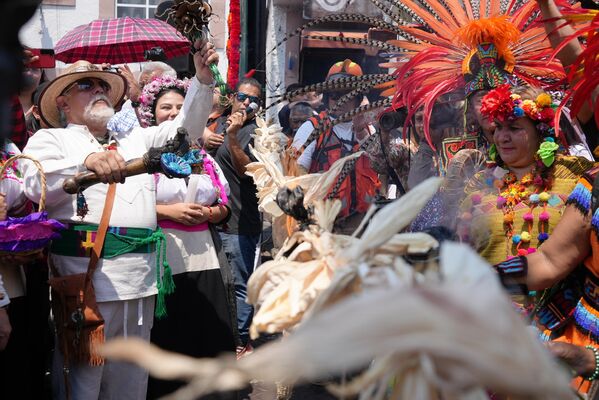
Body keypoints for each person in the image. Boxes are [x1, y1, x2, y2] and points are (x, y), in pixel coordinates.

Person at [21, 40, 217, 400]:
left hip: (141, 282)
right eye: (85, 85)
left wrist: (202, 82)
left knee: (130, 385)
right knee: (82, 384)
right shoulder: (50, 139)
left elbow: (183, 134)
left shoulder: (135, 139)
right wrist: (86, 163)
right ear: (62, 103)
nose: (97, 90)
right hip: (87, 283)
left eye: (102, 85)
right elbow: (35, 181)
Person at [137, 75, 237, 398]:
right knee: (171, 337)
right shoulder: (142, 161)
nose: (173, 112)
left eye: (180, 107)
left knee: (207, 331)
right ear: (152, 113)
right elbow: (136, 204)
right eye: (166, 107)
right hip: (164, 260)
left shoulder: (202, 157)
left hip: (205, 255)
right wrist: (170, 213)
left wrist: (209, 214)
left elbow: (225, 203)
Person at [458, 84, 594, 268]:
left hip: (556, 294)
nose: (502, 137)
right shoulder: (480, 185)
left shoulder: (573, 177)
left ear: (539, 132)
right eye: (498, 127)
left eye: (514, 128)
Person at [292, 59, 381, 234]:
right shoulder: (311, 128)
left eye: (346, 94)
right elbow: (295, 179)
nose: (340, 100)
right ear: (327, 96)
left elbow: (381, 170)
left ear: (358, 97)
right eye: (334, 95)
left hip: (363, 227)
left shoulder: (369, 130)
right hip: (322, 227)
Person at [211, 77, 263, 357]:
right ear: (232, 97)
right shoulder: (218, 124)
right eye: (242, 97)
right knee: (219, 282)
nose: (246, 103)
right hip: (214, 219)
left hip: (241, 223)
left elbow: (247, 171)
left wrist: (233, 137)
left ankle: (242, 342)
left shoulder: (257, 132)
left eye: (253, 100)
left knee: (240, 284)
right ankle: (224, 336)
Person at [107, 61, 177, 133]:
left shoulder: (177, 111)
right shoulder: (129, 106)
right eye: (141, 86)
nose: (145, 91)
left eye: (153, 87)